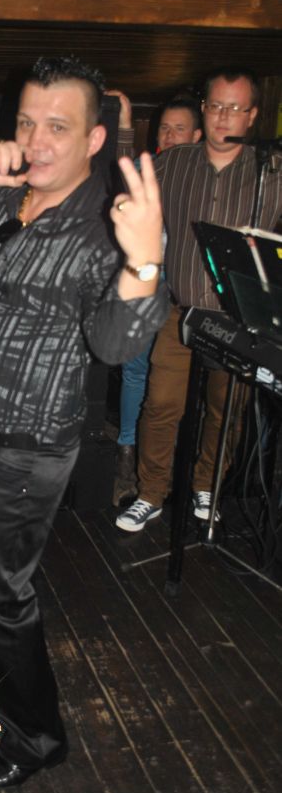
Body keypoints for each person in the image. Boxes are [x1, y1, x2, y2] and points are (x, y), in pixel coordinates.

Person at [0, 55, 169, 789]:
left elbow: (115, 344)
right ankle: (22, 707)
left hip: (24, 449)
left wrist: (146, 260)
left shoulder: (104, 227)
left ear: (94, 139)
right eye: (26, 123)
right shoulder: (9, 194)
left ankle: (35, 738)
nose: (36, 141)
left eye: (58, 126)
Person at [117, 66, 282, 533]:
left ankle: (207, 484)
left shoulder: (271, 171)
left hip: (239, 320)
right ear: (204, 109)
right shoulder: (175, 163)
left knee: (225, 410)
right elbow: (130, 188)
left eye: (235, 108)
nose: (224, 116)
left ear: (252, 115)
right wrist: (125, 128)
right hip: (181, 312)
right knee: (160, 405)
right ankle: (150, 493)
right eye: (216, 106)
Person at [107, 92, 202, 505]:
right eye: (164, 128)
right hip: (147, 280)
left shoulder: (207, 179)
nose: (169, 135)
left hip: (184, 290)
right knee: (135, 371)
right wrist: (126, 122)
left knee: (174, 381)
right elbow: (124, 172)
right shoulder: (156, 170)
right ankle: (127, 456)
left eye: (179, 129)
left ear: (197, 136)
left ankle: (168, 460)